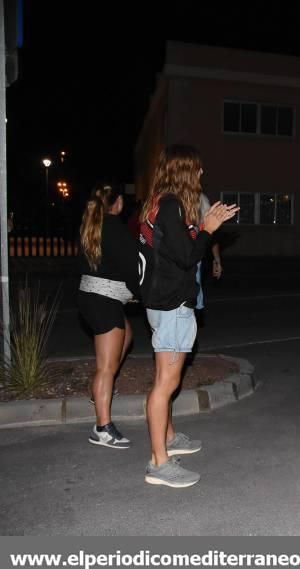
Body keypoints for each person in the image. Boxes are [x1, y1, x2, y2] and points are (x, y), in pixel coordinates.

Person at [138, 145, 238, 488]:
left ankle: (166, 439)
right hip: (170, 305)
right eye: (196, 170)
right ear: (183, 171)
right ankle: (158, 463)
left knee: (166, 379)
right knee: (166, 383)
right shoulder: (170, 205)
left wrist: (204, 226)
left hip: (161, 301)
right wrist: (208, 229)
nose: (200, 175)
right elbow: (187, 257)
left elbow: (178, 248)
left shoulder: (161, 203)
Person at [78, 183, 138, 449]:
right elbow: (131, 266)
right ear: (118, 203)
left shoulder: (91, 225)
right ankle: (102, 428)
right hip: (104, 302)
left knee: (127, 335)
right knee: (105, 366)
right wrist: (140, 292)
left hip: (92, 298)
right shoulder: (113, 226)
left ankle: (103, 388)